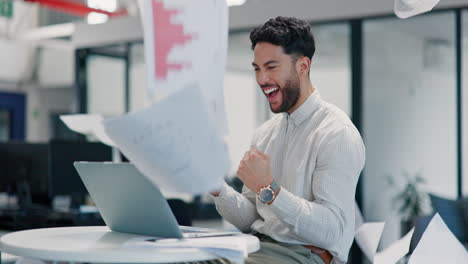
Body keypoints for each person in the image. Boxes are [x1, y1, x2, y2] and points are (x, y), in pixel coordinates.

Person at [211, 16, 365, 264]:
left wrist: (271, 190)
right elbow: (251, 218)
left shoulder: (336, 133)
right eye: (257, 69)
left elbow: (332, 230)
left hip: (303, 255)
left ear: (302, 66)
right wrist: (216, 187)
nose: (262, 79)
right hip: (258, 247)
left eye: (271, 67)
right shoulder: (264, 134)